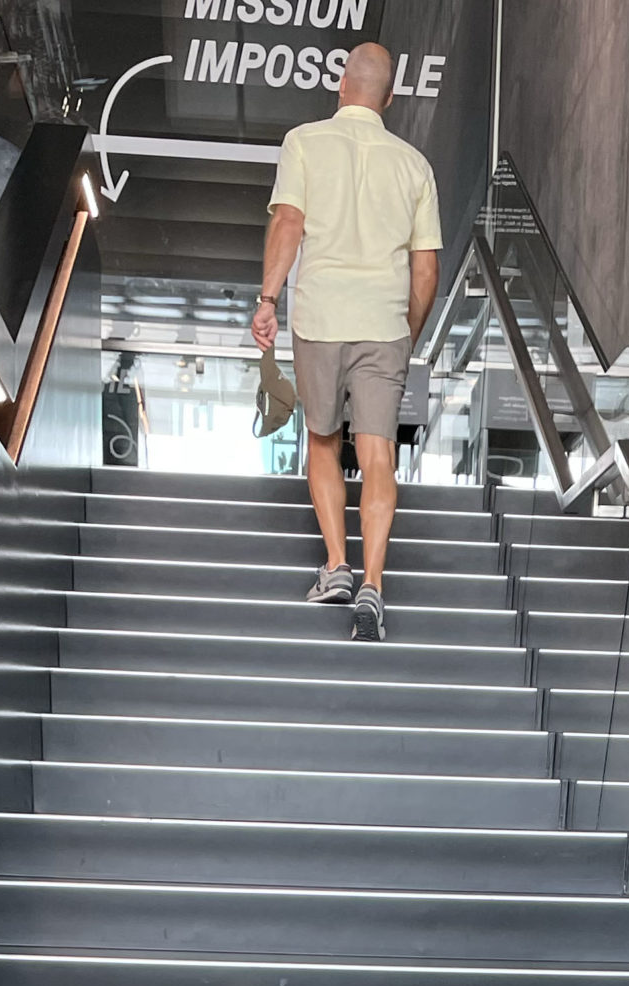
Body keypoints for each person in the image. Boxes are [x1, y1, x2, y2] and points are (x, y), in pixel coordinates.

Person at [251, 43, 441, 642]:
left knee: (323, 439)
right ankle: (374, 586)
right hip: (384, 322)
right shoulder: (414, 165)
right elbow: (426, 267)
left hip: (321, 317)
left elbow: (288, 222)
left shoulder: (304, 142)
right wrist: (406, 332)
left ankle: (336, 565)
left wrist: (268, 299)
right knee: (378, 452)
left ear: (340, 84)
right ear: (390, 98)